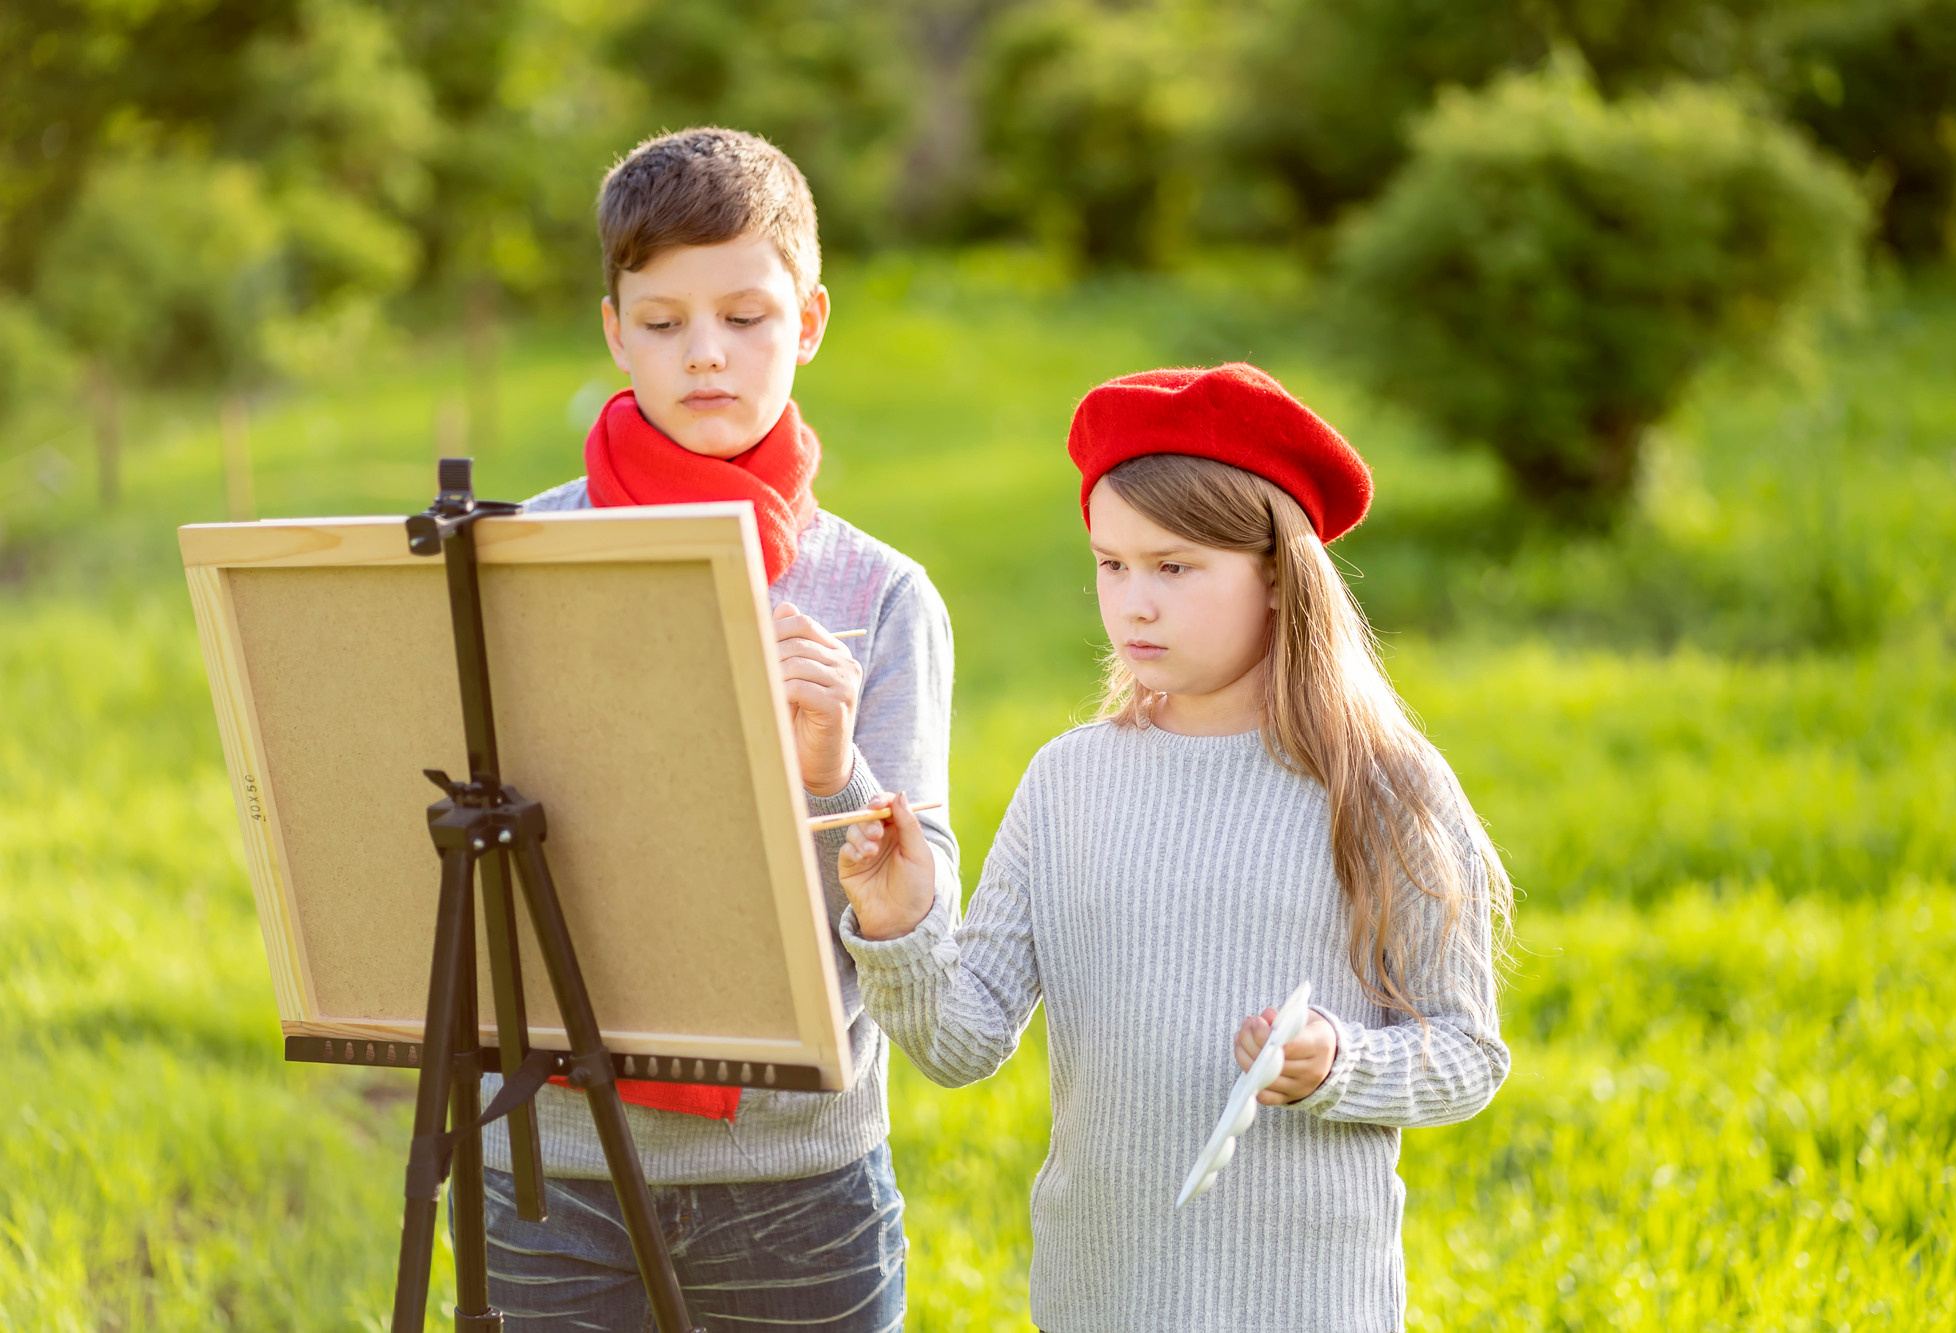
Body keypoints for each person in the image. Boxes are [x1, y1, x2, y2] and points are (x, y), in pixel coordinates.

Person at [836, 364, 1513, 1332]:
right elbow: (962, 1041)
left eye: (1174, 566)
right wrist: (897, 920)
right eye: (1111, 565)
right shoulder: (1066, 781)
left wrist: (1334, 1065)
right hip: (1097, 1295)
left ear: (1277, 575)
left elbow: (1464, 1053)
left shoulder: (1380, 788)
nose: (1132, 603)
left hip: (1308, 1303)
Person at [480, 126, 956, 1332]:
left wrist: (828, 772)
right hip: (552, 1170)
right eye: (662, 321)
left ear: (808, 322)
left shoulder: (880, 598)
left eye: (746, 317)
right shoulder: (512, 557)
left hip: (796, 1182)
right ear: (612, 330)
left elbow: (918, 928)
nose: (705, 355)